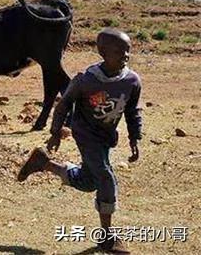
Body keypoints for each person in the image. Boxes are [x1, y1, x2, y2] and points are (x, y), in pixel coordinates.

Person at [17, 28, 142, 254]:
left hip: (106, 137)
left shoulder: (132, 81)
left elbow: (133, 110)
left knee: (89, 181)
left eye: (128, 51)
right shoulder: (86, 79)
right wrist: (56, 132)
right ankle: (107, 238)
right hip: (85, 134)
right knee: (105, 178)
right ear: (103, 53)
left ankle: (43, 163)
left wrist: (135, 137)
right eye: (119, 51)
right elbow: (63, 104)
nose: (126, 56)